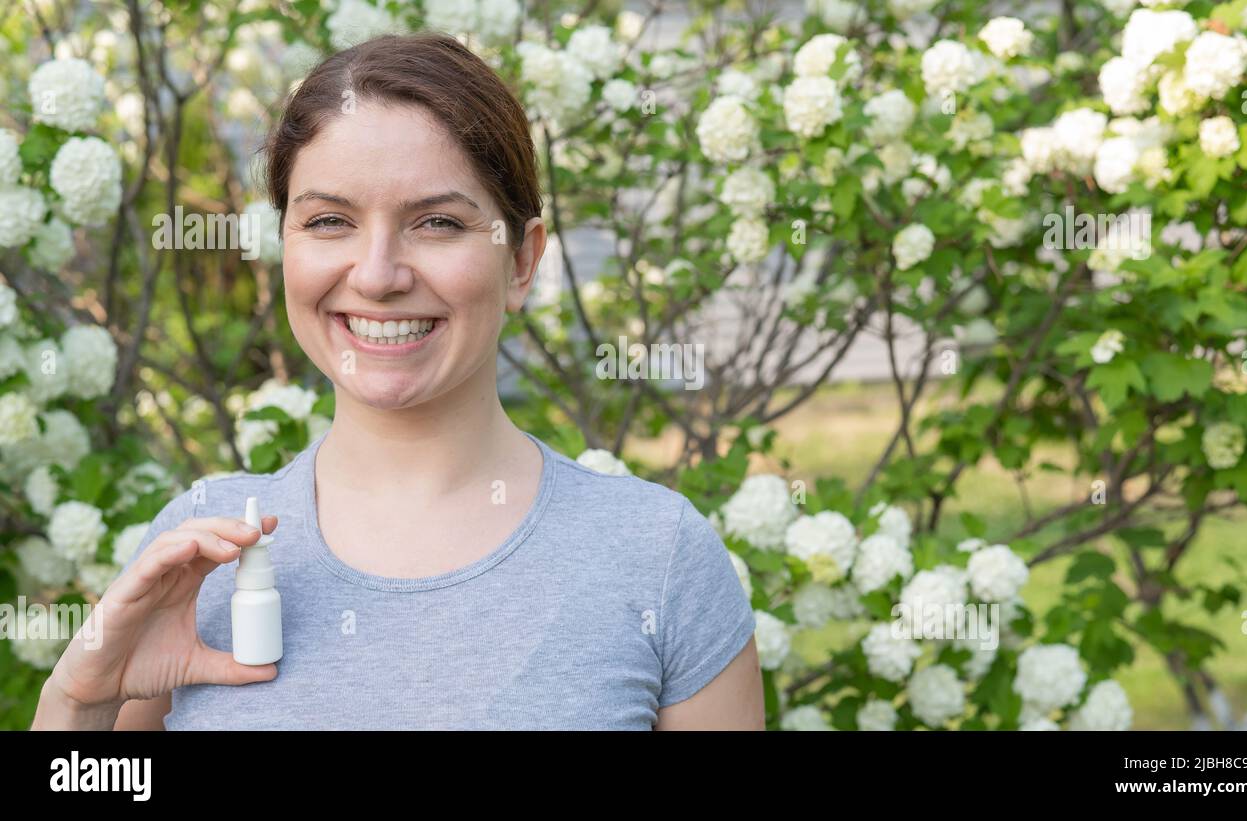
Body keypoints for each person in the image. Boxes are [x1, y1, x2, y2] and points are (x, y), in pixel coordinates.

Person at [30, 32, 762, 730]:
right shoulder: (197, 560)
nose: (377, 275)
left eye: (438, 222)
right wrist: (80, 699)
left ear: (522, 262)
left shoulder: (657, 558)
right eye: (329, 222)